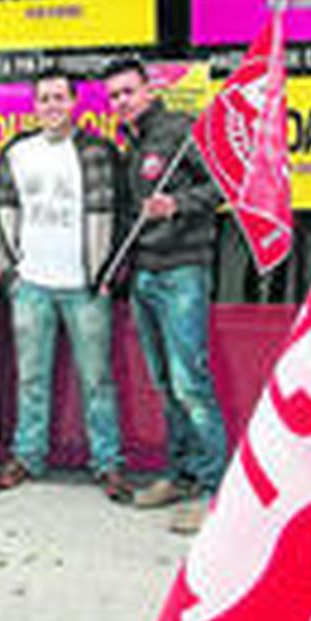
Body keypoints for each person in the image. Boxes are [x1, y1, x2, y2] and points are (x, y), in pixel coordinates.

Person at [0, 69, 132, 503]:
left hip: (86, 286)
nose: (51, 106)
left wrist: (109, 273)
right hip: (31, 285)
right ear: (34, 106)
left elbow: (122, 214)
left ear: (75, 103)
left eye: (59, 98)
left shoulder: (99, 151)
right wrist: (10, 274)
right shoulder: (17, 151)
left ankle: (107, 464)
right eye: (44, 99)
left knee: (98, 380)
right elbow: (0, 212)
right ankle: (28, 457)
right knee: (31, 378)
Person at [105, 56, 226, 535]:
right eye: (113, 96)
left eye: (128, 92)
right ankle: (182, 476)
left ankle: (215, 490)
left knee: (190, 384)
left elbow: (218, 187)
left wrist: (176, 203)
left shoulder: (179, 131)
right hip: (145, 274)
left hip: (182, 272)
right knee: (164, 384)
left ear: (148, 91)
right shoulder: (130, 144)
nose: (121, 102)